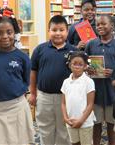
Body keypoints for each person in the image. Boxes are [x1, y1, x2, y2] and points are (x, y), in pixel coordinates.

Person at [0, 7, 34, 144]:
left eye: (9, 32)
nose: (4, 36)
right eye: (0, 33)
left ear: (15, 33)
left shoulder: (22, 57)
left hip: (17, 108)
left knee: (18, 141)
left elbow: (26, 81)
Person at [28, 15, 77, 145]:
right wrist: (33, 93)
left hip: (66, 97)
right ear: (49, 31)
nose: (58, 33)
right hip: (44, 97)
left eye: (61, 30)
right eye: (54, 30)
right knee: (45, 129)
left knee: (64, 130)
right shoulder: (40, 49)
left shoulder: (74, 51)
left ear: (67, 31)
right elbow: (33, 72)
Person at [85, 15, 115, 145]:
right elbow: (85, 63)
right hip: (95, 92)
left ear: (112, 26)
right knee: (95, 123)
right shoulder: (91, 44)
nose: (100, 27)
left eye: (104, 24)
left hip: (113, 93)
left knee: (111, 124)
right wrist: (88, 69)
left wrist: (114, 73)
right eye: (98, 25)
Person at [61, 51, 96, 145]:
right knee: (75, 143)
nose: (77, 66)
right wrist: (65, 118)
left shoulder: (88, 81)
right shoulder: (66, 82)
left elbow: (90, 104)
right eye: (74, 64)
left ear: (85, 66)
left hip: (85, 122)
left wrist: (81, 120)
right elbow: (63, 103)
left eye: (80, 64)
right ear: (69, 65)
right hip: (70, 121)